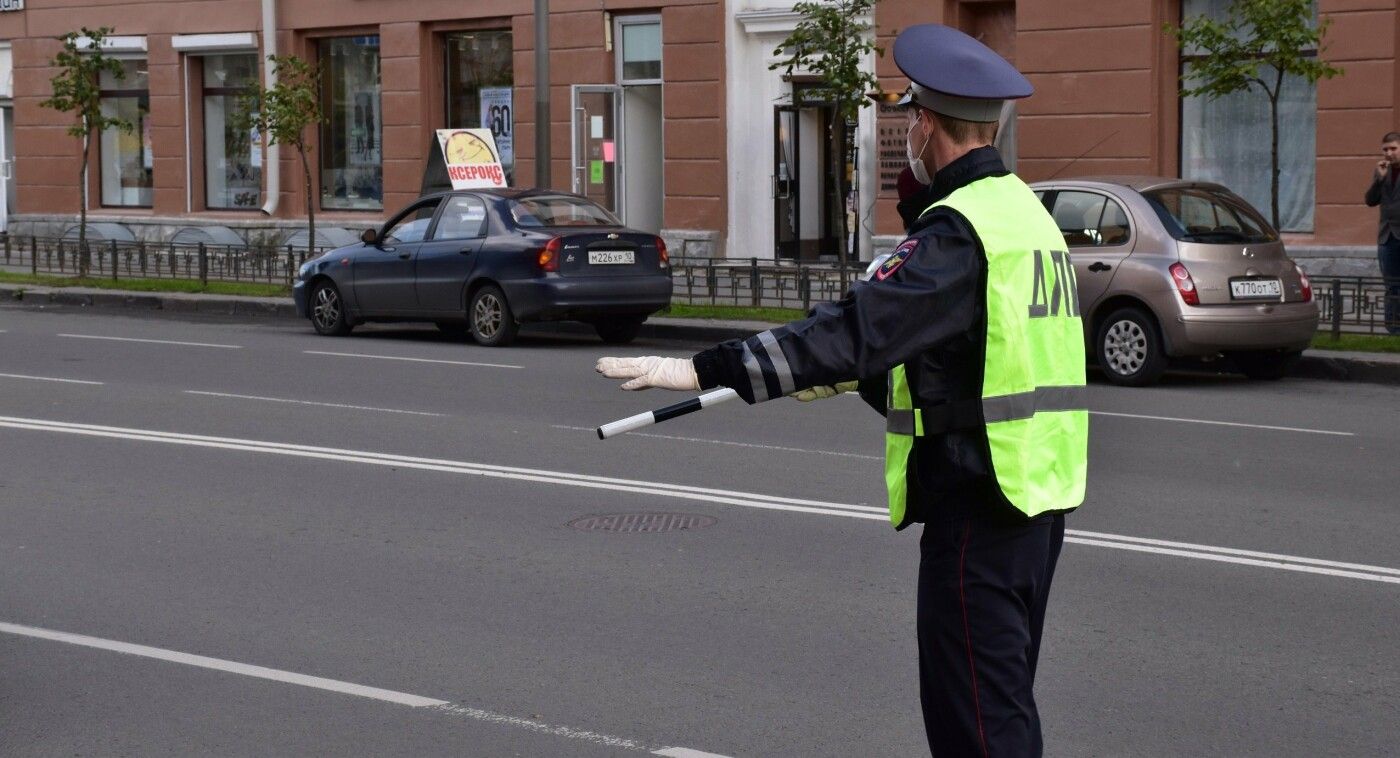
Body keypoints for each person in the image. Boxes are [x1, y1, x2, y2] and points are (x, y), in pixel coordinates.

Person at [597, 23, 1087, 757]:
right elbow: (976, 355)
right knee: (1002, 704)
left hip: (979, 504)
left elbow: (859, 326)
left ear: (925, 125)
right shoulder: (1027, 216)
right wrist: (851, 376)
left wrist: (705, 368)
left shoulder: (958, 232)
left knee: (978, 729)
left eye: (911, 120)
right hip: (1036, 496)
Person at [1364, 131, 1400, 334]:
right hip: (1387, 237)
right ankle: (1394, 329)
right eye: (1386, 149)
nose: (1389, 153)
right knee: (1391, 285)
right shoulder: (1381, 171)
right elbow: (1370, 200)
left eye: (1393, 148)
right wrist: (1379, 179)